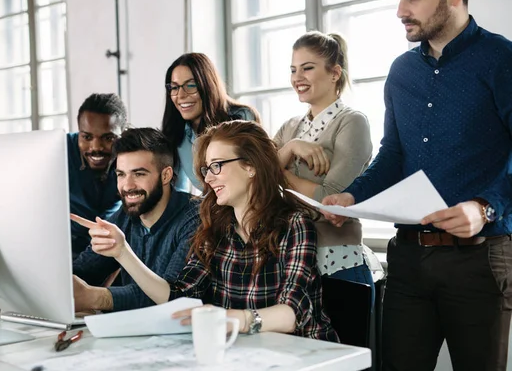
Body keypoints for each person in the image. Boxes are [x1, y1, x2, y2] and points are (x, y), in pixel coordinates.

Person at [322, 0, 512, 370]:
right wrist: (352, 196)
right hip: (408, 260)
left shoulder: (502, 60)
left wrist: (484, 208)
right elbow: (392, 155)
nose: (400, 11)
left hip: (480, 261)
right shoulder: (401, 72)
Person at [75, 121, 338, 341]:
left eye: (217, 166)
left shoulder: (295, 225)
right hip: (243, 352)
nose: (209, 178)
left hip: (304, 355)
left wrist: (235, 318)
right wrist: (122, 253)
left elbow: (292, 314)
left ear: (251, 166)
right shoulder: (216, 227)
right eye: (207, 168)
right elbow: (178, 294)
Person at [274, 31, 374, 297]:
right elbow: (254, 178)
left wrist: (280, 175)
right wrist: (293, 146)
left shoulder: (352, 122)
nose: (297, 78)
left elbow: (330, 199)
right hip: (290, 260)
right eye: (293, 70)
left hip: (337, 263)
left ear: (334, 73)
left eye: (307, 68)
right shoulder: (289, 128)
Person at [71, 127, 199, 313]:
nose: (127, 186)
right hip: (134, 333)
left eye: (139, 174)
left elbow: (172, 296)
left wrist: (96, 298)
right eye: (121, 174)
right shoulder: (124, 217)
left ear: (166, 175)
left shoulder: (195, 217)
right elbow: (84, 270)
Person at [161, 53, 260, 193]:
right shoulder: (176, 133)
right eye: (174, 88)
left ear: (207, 85)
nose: (181, 95)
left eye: (190, 85)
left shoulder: (242, 117)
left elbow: (258, 176)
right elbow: (176, 190)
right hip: (211, 210)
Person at [67, 93, 127, 258]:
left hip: (114, 243)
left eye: (108, 138)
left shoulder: (132, 156)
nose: (96, 147)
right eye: (86, 137)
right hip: (66, 244)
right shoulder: (59, 151)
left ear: (123, 133)